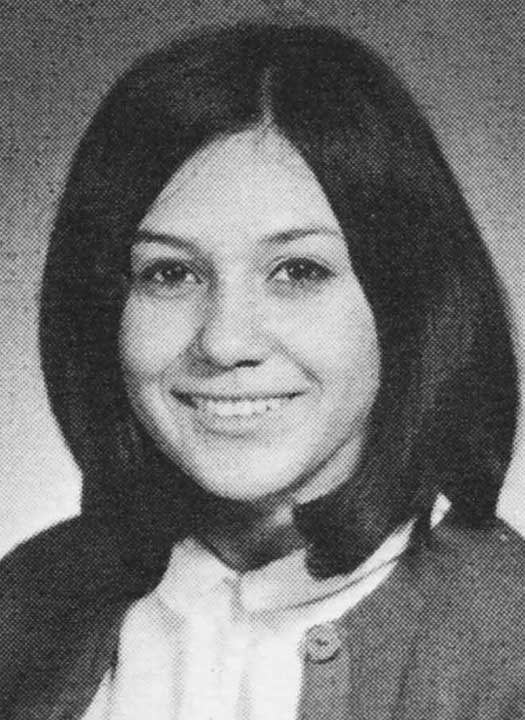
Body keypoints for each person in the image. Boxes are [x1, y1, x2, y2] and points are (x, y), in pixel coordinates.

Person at [1, 21, 523, 720]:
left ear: (408, 300)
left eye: (298, 270)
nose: (224, 342)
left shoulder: (507, 641)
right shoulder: (28, 602)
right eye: (170, 273)